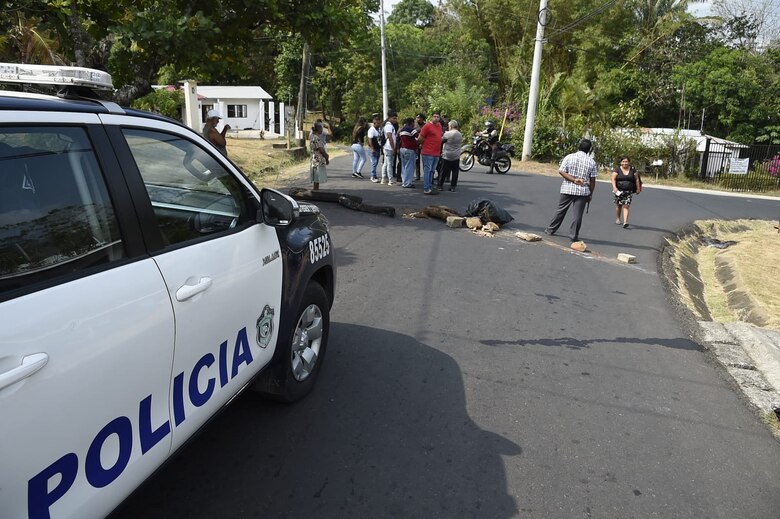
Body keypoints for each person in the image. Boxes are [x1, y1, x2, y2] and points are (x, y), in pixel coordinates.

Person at [544, 138, 598, 242]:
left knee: (561, 210)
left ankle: (551, 229)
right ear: (589, 150)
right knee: (578, 215)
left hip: (567, 188)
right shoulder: (592, 162)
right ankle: (573, 235)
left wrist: (573, 179)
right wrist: (590, 194)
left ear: (579, 147)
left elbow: (561, 171)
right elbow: (593, 180)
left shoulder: (569, 157)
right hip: (583, 191)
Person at [611, 156, 642, 228]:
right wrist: (614, 187)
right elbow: (613, 179)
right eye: (623, 162)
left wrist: (638, 188)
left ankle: (625, 222)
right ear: (621, 162)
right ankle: (618, 218)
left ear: (629, 162)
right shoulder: (617, 169)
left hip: (629, 191)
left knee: (626, 205)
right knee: (619, 205)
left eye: (626, 161)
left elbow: (637, 179)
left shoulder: (633, 170)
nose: (625, 163)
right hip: (619, 190)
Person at [417, 112, 443, 195]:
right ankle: (426, 188)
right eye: (434, 116)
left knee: (432, 170)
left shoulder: (439, 126)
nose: (436, 118)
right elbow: (420, 138)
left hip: (436, 152)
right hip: (428, 152)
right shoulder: (427, 126)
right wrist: (422, 144)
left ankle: (430, 186)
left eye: (438, 117)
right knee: (427, 170)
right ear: (431, 117)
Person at [438, 119, 463, 191]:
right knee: (455, 172)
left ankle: (440, 185)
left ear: (451, 126)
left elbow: (441, 141)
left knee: (443, 171)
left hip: (447, 155)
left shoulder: (448, 134)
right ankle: (453, 186)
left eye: (449, 126)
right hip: (456, 155)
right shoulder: (460, 134)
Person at [398, 117, 418, 188]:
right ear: (412, 123)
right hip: (410, 149)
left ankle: (404, 181)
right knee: (410, 167)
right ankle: (407, 183)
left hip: (402, 149)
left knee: (404, 166)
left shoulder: (402, 130)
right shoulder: (411, 129)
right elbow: (418, 137)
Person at [309, 122, 329, 190]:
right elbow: (320, 149)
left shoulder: (312, 136)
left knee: (316, 178)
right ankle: (316, 191)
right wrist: (326, 156)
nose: (322, 130)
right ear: (319, 129)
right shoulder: (316, 138)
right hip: (317, 159)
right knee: (317, 177)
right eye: (321, 128)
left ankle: (316, 189)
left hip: (313, 159)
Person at [381, 111, 398, 185]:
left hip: (387, 147)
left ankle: (384, 178)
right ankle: (390, 180)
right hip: (389, 147)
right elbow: (390, 137)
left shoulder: (389, 125)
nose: (395, 120)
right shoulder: (389, 126)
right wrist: (393, 147)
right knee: (389, 164)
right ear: (390, 118)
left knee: (386, 163)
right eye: (394, 118)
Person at [367, 114, 383, 182]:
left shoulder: (378, 129)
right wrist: (372, 148)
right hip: (373, 149)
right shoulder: (371, 130)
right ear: (374, 123)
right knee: (374, 162)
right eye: (378, 123)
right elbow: (370, 140)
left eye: (380, 123)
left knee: (376, 163)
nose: (379, 124)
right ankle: (373, 176)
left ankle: (375, 175)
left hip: (378, 148)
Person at [414, 113, 425, 181]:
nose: (417, 119)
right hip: (416, 144)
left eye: (419, 117)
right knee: (416, 160)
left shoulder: (425, 125)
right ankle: (418, 175)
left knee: (425, 160)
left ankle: (426, 174)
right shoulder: (415, 125)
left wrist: (422, 143)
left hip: (424, 144)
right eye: (417, 117)